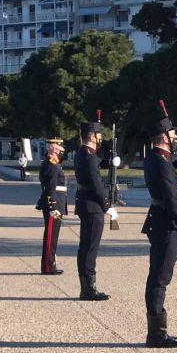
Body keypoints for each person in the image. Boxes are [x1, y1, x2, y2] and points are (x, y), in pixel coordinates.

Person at [141, 110, 177, 348]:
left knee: (159, 276)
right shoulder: (160, 162)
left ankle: (157, 330)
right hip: (166, 223)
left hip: (161, 220)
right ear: (165, 136)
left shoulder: (158, 158)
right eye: (172, 133)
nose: (175, 136)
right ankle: (157, 333)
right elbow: (172, 197)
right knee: (160, 277)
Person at [73, 117, 117, 300]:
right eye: (98, 135)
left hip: (85, 204)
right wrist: (106, 206)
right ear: (92, 136)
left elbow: (95, 165)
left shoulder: (83, 153)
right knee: (91, 248)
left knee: (85, 247)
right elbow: (97, 184)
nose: (101, 138)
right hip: (93, 206)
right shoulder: (89, 157)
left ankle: (86, 287)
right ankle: (88, 289)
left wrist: (109, 161)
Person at [36, 138, 67, 275]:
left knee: (53, 236)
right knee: (50, 237)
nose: (60, 149)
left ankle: (49, 264)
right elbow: (50, 187)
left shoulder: (54, 163)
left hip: (56, 203)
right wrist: (53, 207)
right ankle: (48, 266)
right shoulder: (51, 164)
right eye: (57, 146)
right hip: (53, 205)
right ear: (50, 148)